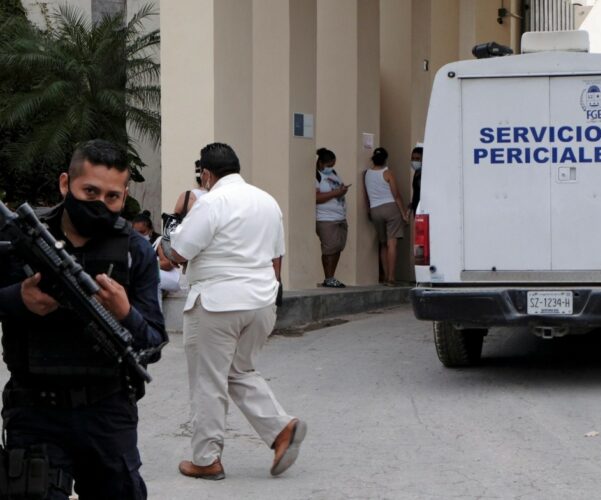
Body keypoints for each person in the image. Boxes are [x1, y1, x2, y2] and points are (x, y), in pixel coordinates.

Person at [0, 139, 167, 499]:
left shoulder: (135, 251)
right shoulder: (20, 240)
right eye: (89, 191)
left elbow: (153, 344)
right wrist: (18, 299)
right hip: (35, 411)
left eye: (112, 197)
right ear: (65, 184)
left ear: (125, 195)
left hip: (107, 412)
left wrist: (125, 313)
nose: (100, 205)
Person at [169, 143, 306, 480]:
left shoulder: (210, 202)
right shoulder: (267, 201)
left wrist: (168, 237)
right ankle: (281, 429)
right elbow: (277, 256)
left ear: (206, 173)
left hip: (218, 304)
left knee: (208, 380)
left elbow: (179, 252)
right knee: (238, 371)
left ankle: (205, 459)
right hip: (261, 302)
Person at [363, 147, 407, 286]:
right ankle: (391, 278)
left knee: (382, 244)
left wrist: (369, 209)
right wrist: (404, 213)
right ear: (385, 159)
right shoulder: (387, 173)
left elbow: (366, 195)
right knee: (391, 243)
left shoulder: (367, 174)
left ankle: (385, 275)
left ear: (373, 159)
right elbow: (396, 195)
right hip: (390, 208)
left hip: (375, 210)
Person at [315, 147, 349, 288]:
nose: (331, 168)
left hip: (339, 217)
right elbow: (316, 197)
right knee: (329, 249)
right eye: (328, 165)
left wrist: (342, 190)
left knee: (337, 248)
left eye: (332, 165)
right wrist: (336, 193)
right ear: (321, 163)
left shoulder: (333, 173)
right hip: (326, 219)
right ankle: (328, 278)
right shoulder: (315, 176)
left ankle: (332, 277)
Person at [407, 145, 423, 218]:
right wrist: (412, 204)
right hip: (416, 208)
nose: (414, 161)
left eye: (417, 159)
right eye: (413, 158)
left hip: (422, 210)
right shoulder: (417, 172)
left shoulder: (424, 175)